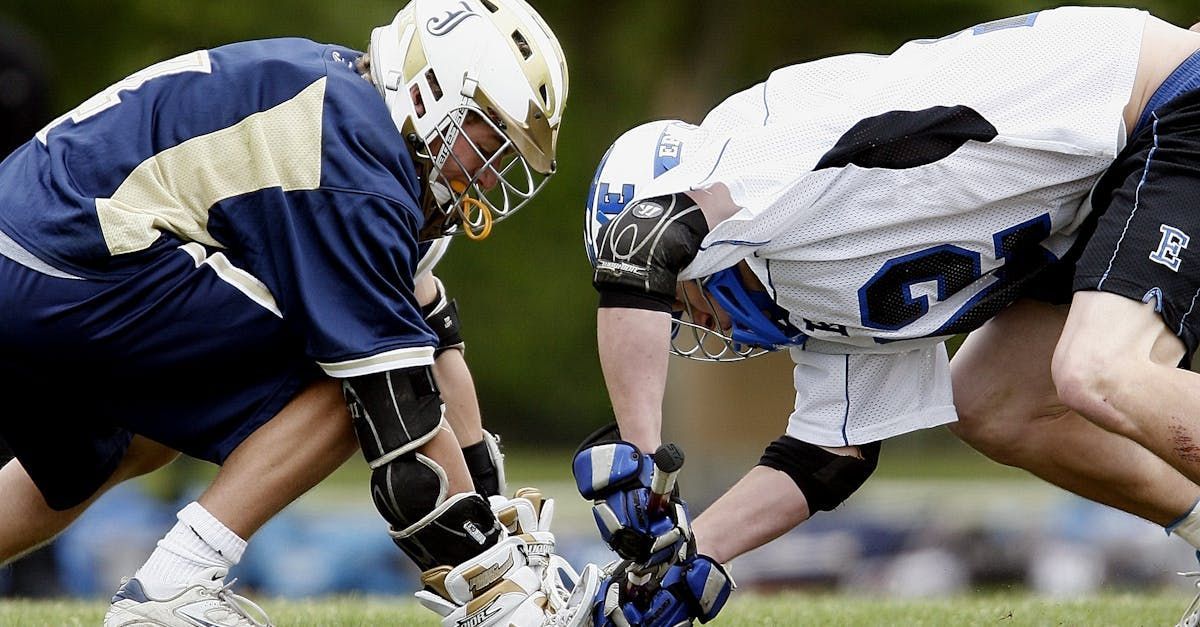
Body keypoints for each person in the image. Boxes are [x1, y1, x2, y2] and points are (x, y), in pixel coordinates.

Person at [575, 7, 1200, 626]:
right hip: (1096, 192)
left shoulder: (755, 151)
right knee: (990, 403)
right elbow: (827, 455)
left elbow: (644, 245)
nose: (696, 320)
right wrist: (686, 557)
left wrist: (641, 461)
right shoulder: (803, 286)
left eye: (679, 298)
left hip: (1167, 99)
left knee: (1098, 368)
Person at [0, 1, 593, 626]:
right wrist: (489, 575)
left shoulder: (348, 116)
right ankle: (176, 585)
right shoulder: (355, 159)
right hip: (69, 261)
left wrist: (485, 493)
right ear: (431, 90)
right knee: (349, 375)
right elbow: (395, 402)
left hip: (39, 254)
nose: (489, 166)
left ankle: (173, 580)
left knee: (126, 447)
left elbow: (434, 331)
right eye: (486, 133)